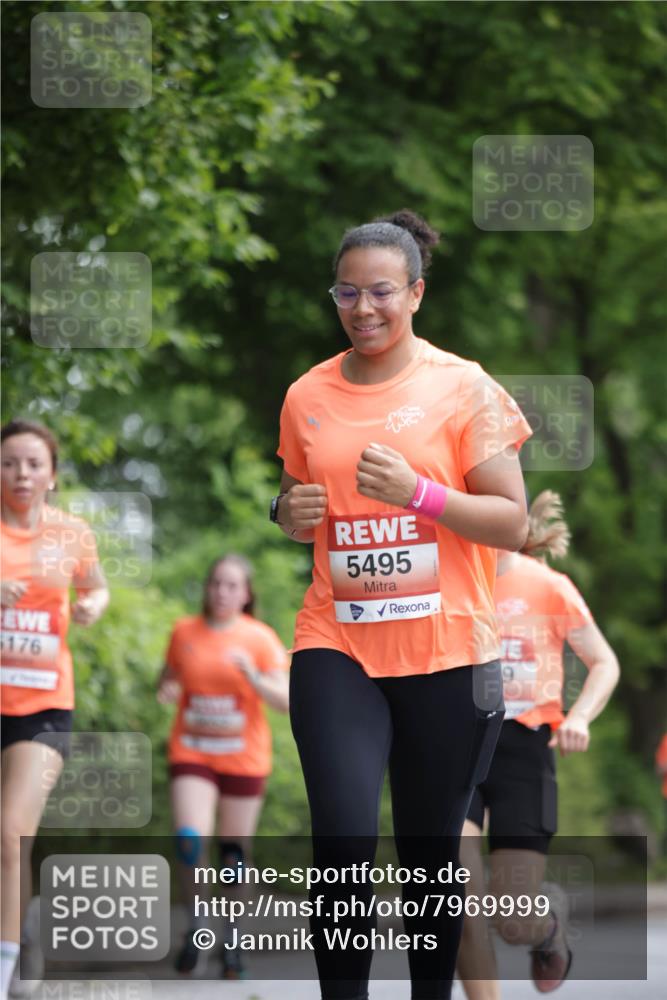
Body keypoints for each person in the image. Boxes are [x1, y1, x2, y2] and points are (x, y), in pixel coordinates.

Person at [271, 209, 532, 1000]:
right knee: (343, 841)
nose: (363, 308)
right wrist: (285, 513)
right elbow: (294, 502)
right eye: (346, 293)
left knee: (428, 854)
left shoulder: (464, 386)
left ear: (415, 293)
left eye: (380, 291)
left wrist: (418, 493)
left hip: (446, 652)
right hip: (337, 643)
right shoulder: (306, 394)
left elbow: (512, 523)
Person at [456, 490, 620, 998]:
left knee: (511, 921)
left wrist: (581, 717)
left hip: (524, 749)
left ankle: (545, 924)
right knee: (459, 899)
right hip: (458, 746)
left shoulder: (548, 587)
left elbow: (604, 662)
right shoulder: (450, 581)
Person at [1, 419, 109, 1000]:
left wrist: (93, 604)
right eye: (9, 463)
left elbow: (96, 587)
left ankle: (4, 969)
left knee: (10, 832)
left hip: (42, 704)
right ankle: (22, 931)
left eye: (33, 464)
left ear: (52, 475)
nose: (21, 474)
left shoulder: (70, 533)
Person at [157, 553, 290, 980]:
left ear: (246, 594)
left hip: (243, 757)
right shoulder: (184, 631)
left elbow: (287, 701)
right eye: (216, 583)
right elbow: (168, 675)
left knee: (233, 853)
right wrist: (166, 687)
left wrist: (254, 677)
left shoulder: (260, 638)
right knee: (190, 839)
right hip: (192, 752)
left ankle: (233, 940)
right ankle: (197, 928)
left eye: (232, 586)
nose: (221, 592)